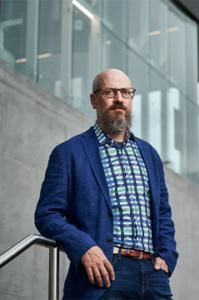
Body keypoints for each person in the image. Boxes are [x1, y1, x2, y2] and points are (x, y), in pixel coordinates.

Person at [35, 69, 178, 300]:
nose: (119, 98)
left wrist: (167, 258)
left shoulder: (149, 154)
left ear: (131, 98)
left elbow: (162, 214)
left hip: (154, 277)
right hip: (101, 276)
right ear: (94, 100)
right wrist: (84, 248)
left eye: (125, 92)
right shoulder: (68, 153)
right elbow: (47, 214)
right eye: (110, 92)